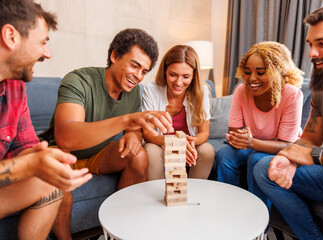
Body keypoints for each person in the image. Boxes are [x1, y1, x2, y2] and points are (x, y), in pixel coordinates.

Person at [39, 28, 174, 239]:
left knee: (138, 156)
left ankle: (119, 232)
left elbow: (133, 127)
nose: (138, 76)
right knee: (60, 169)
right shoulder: (78, 80)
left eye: (144, 71)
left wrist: (132, 135)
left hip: (97, 154)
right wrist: (126, 121)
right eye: (134, 65)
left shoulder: (133, 91)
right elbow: (66, 138)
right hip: (61, 153)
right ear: (114, 56)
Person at [253, 2, 323, 240]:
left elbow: (315, 152)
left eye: (322, 44)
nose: (311, 53)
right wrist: (288, 158)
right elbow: (311, 137)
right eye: (311, 44)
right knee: (264, 168)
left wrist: (315, 156)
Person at [0, 0, 92, 239]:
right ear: (10, 36)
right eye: (42, 42)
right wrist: (30, 164)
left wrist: (41, 157)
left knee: (52, 179)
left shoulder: (15, 87)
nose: (47, 53)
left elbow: (24, 148)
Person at [215, 41, 304, 204]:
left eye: (261, 72)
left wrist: (251, 142)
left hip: (280, 147)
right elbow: (235, 134)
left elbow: (287, 144)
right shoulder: (241, 90)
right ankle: (228, 206)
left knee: (257, 160)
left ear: (278, 72)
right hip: (252, 143)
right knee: (224, 155)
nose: (251, 79)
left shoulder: (292, 94)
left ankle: (258, 216)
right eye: (247, 72)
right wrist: (240, 139)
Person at [142, 45, 215, 180]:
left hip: (188, 148)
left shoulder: (202, 91)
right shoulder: (151, 90)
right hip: (161, 145)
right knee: (150, 150)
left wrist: (187, 144)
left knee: (207, 150)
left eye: (186, 76)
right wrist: (175, 142)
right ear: (165, 71)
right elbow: (147, 134)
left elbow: (204, 133)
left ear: (193, 76)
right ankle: (157, 193)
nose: (179, 82)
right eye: (173, 75)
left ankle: (194, 192)